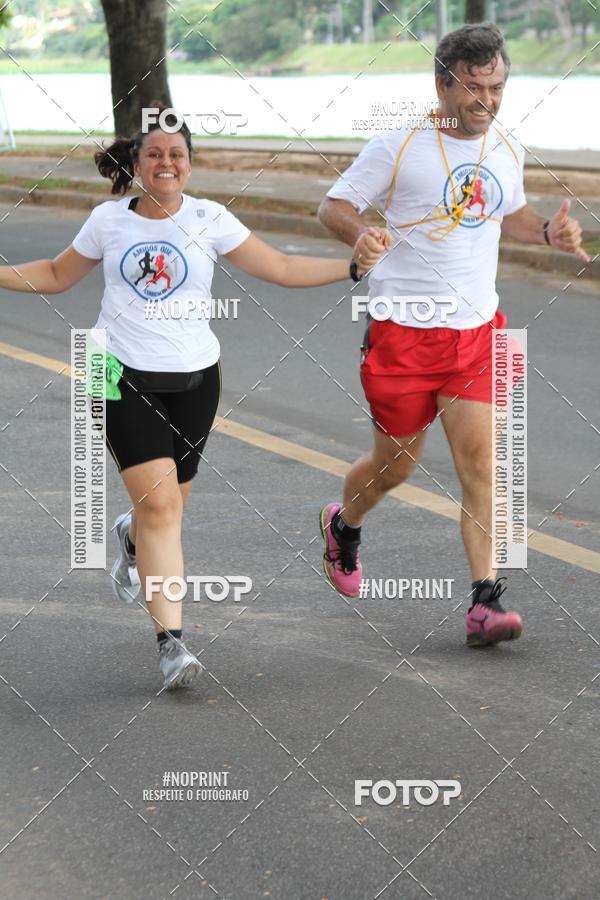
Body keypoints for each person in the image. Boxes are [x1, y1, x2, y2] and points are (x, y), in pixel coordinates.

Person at [0, 107, 385, 689]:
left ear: (190, 165)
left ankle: (129, 538)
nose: (165, 163)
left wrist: (349, 267)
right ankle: (170, 643)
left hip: (196, 380)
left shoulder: (210, 218)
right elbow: (56, 273)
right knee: (162, 510)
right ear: (135, 164)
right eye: (153, 153)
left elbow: (278, 266)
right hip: (117, 372)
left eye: (176, 154)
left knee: (168, 506)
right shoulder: (109, 221)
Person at [318, 23, 589, 646]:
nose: (487, 102)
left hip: (474, 333)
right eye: (473, 88)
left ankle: (485, 603)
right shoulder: (399, 144)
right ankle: (345, 524)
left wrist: (548, 232)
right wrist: (357, 236)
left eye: (497, 87)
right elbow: (334, 206)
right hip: (402, 337)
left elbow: (510, 213)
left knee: (481, 467)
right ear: (442, 84)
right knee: (395, 470)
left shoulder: (505, 149)